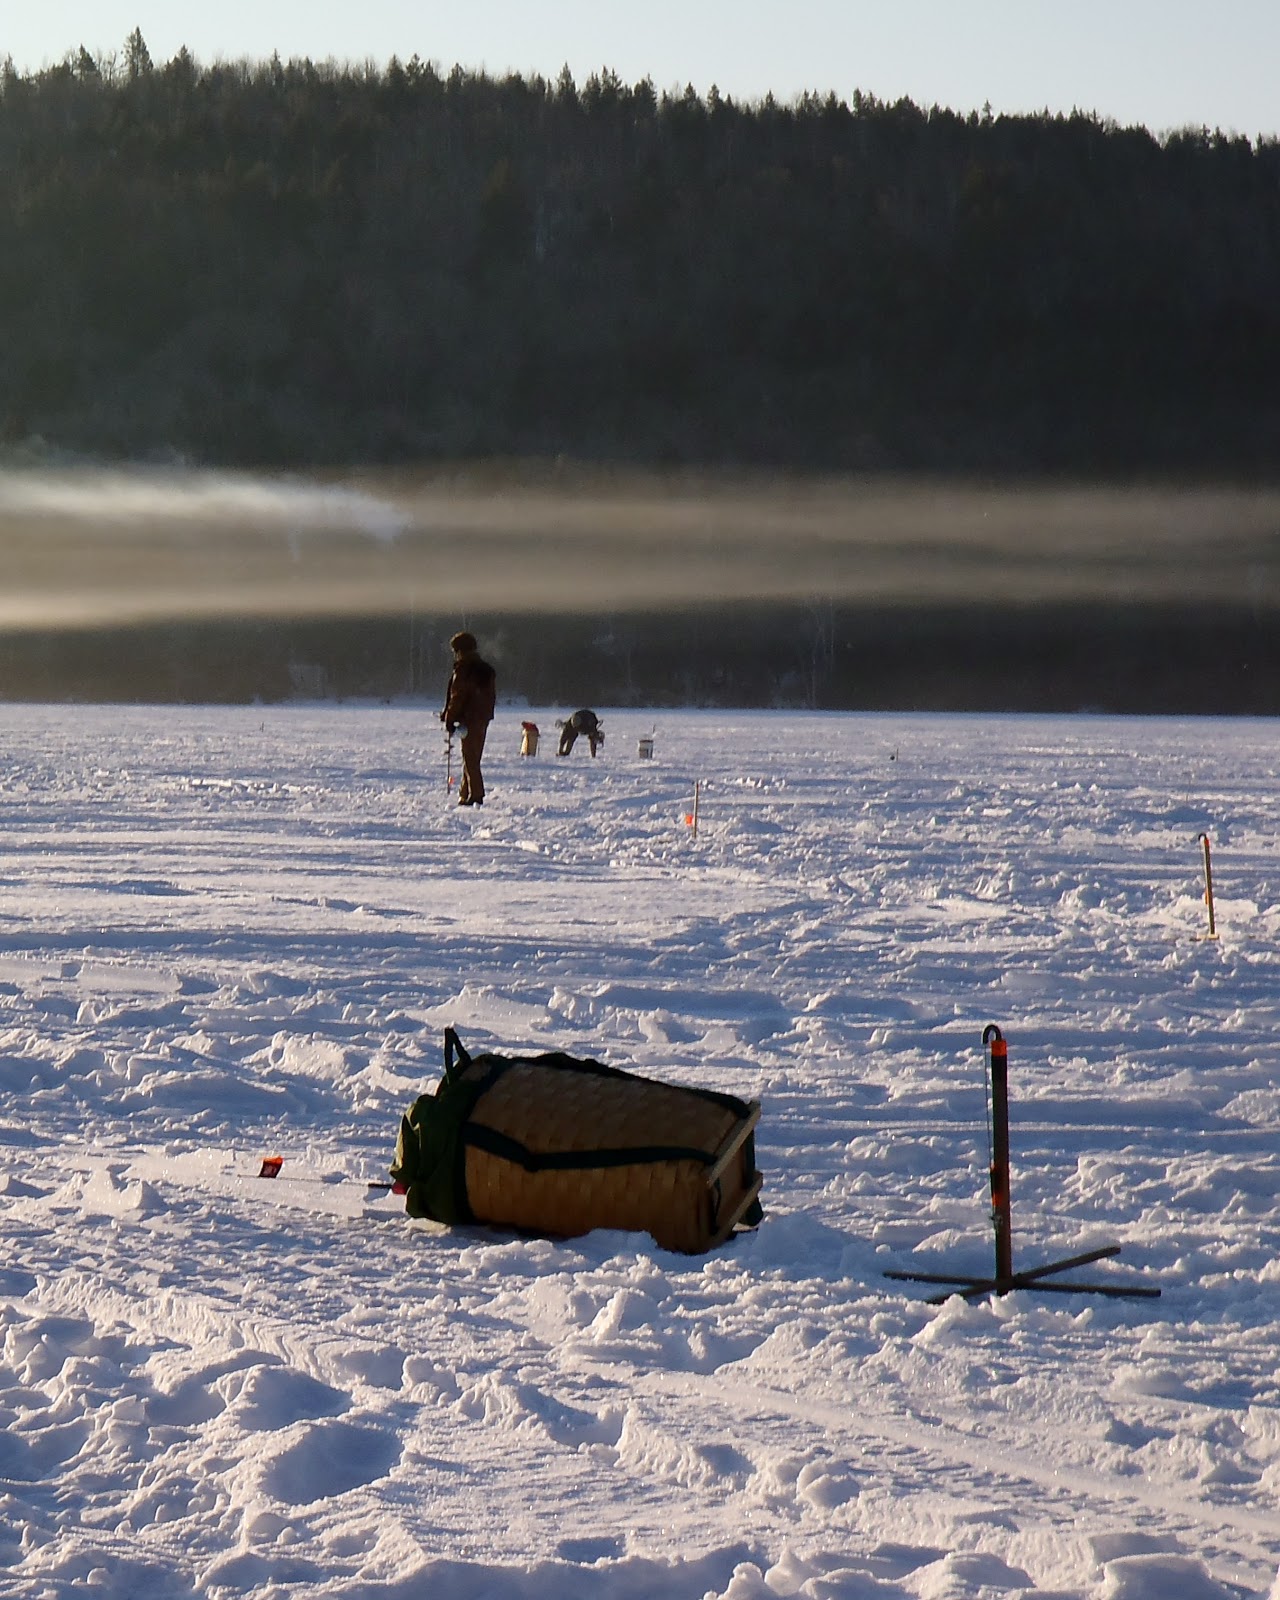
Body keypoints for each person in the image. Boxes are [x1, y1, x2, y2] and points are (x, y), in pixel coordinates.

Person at [440, 631, 496, 805]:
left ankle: (476, 794)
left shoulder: (464, 670)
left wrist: (449, 718)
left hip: (469, 718)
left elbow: (458, 696)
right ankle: (465, 792)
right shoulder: (485, 670)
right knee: (473, 756)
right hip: (483, 718)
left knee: (469, 757)